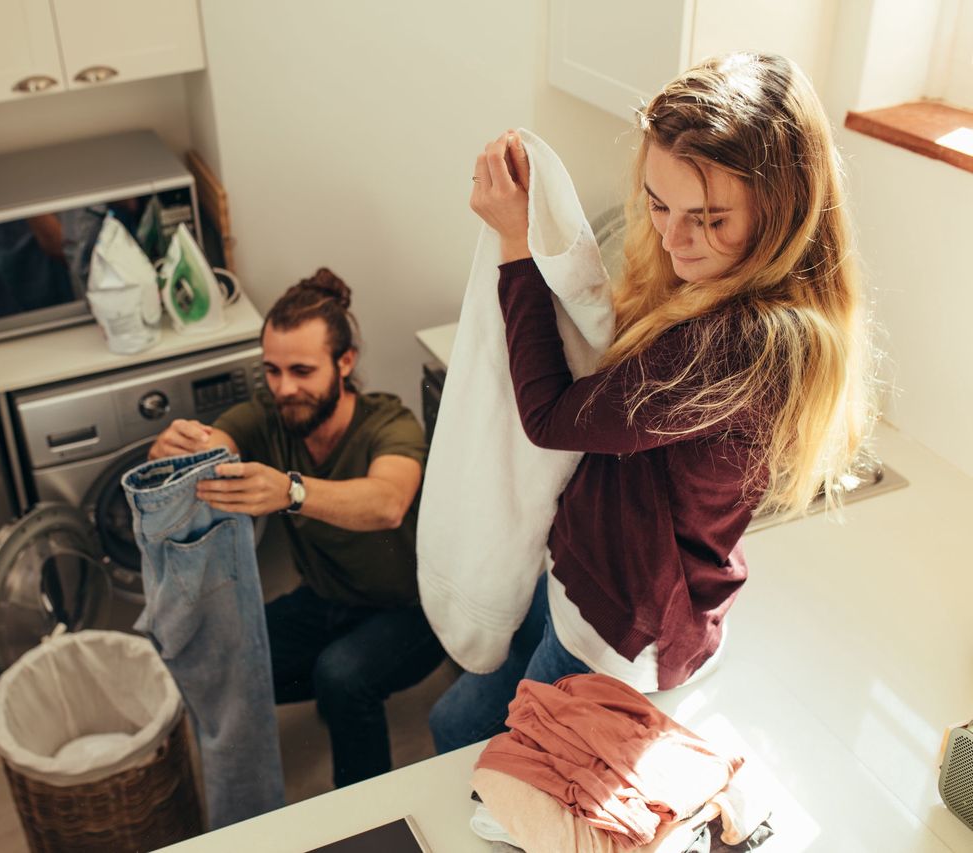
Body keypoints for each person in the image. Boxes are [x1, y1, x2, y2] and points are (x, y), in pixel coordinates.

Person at [430, 52, 873, 751]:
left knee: (466, 745)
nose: (672, 239)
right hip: (594, 583)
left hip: (621, 627)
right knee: (452, 723)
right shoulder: (719, 287)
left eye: (710, 219)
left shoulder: (744, 344)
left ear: (782, 209)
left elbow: (550, 418)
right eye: (659, 203)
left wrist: (518, 244)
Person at [149, 269, 446, 787]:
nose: (285, 389)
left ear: (345, 362)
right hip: (327, 598)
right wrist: (177, 449)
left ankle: (365, 824)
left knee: (342, 677)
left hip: (415, 608)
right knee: (221, 651)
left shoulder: (389, 423)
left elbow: (387, 502)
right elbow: (218, 443)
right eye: (272, 371)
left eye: (303, 371)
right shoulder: (273, 415)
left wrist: (292, 491)